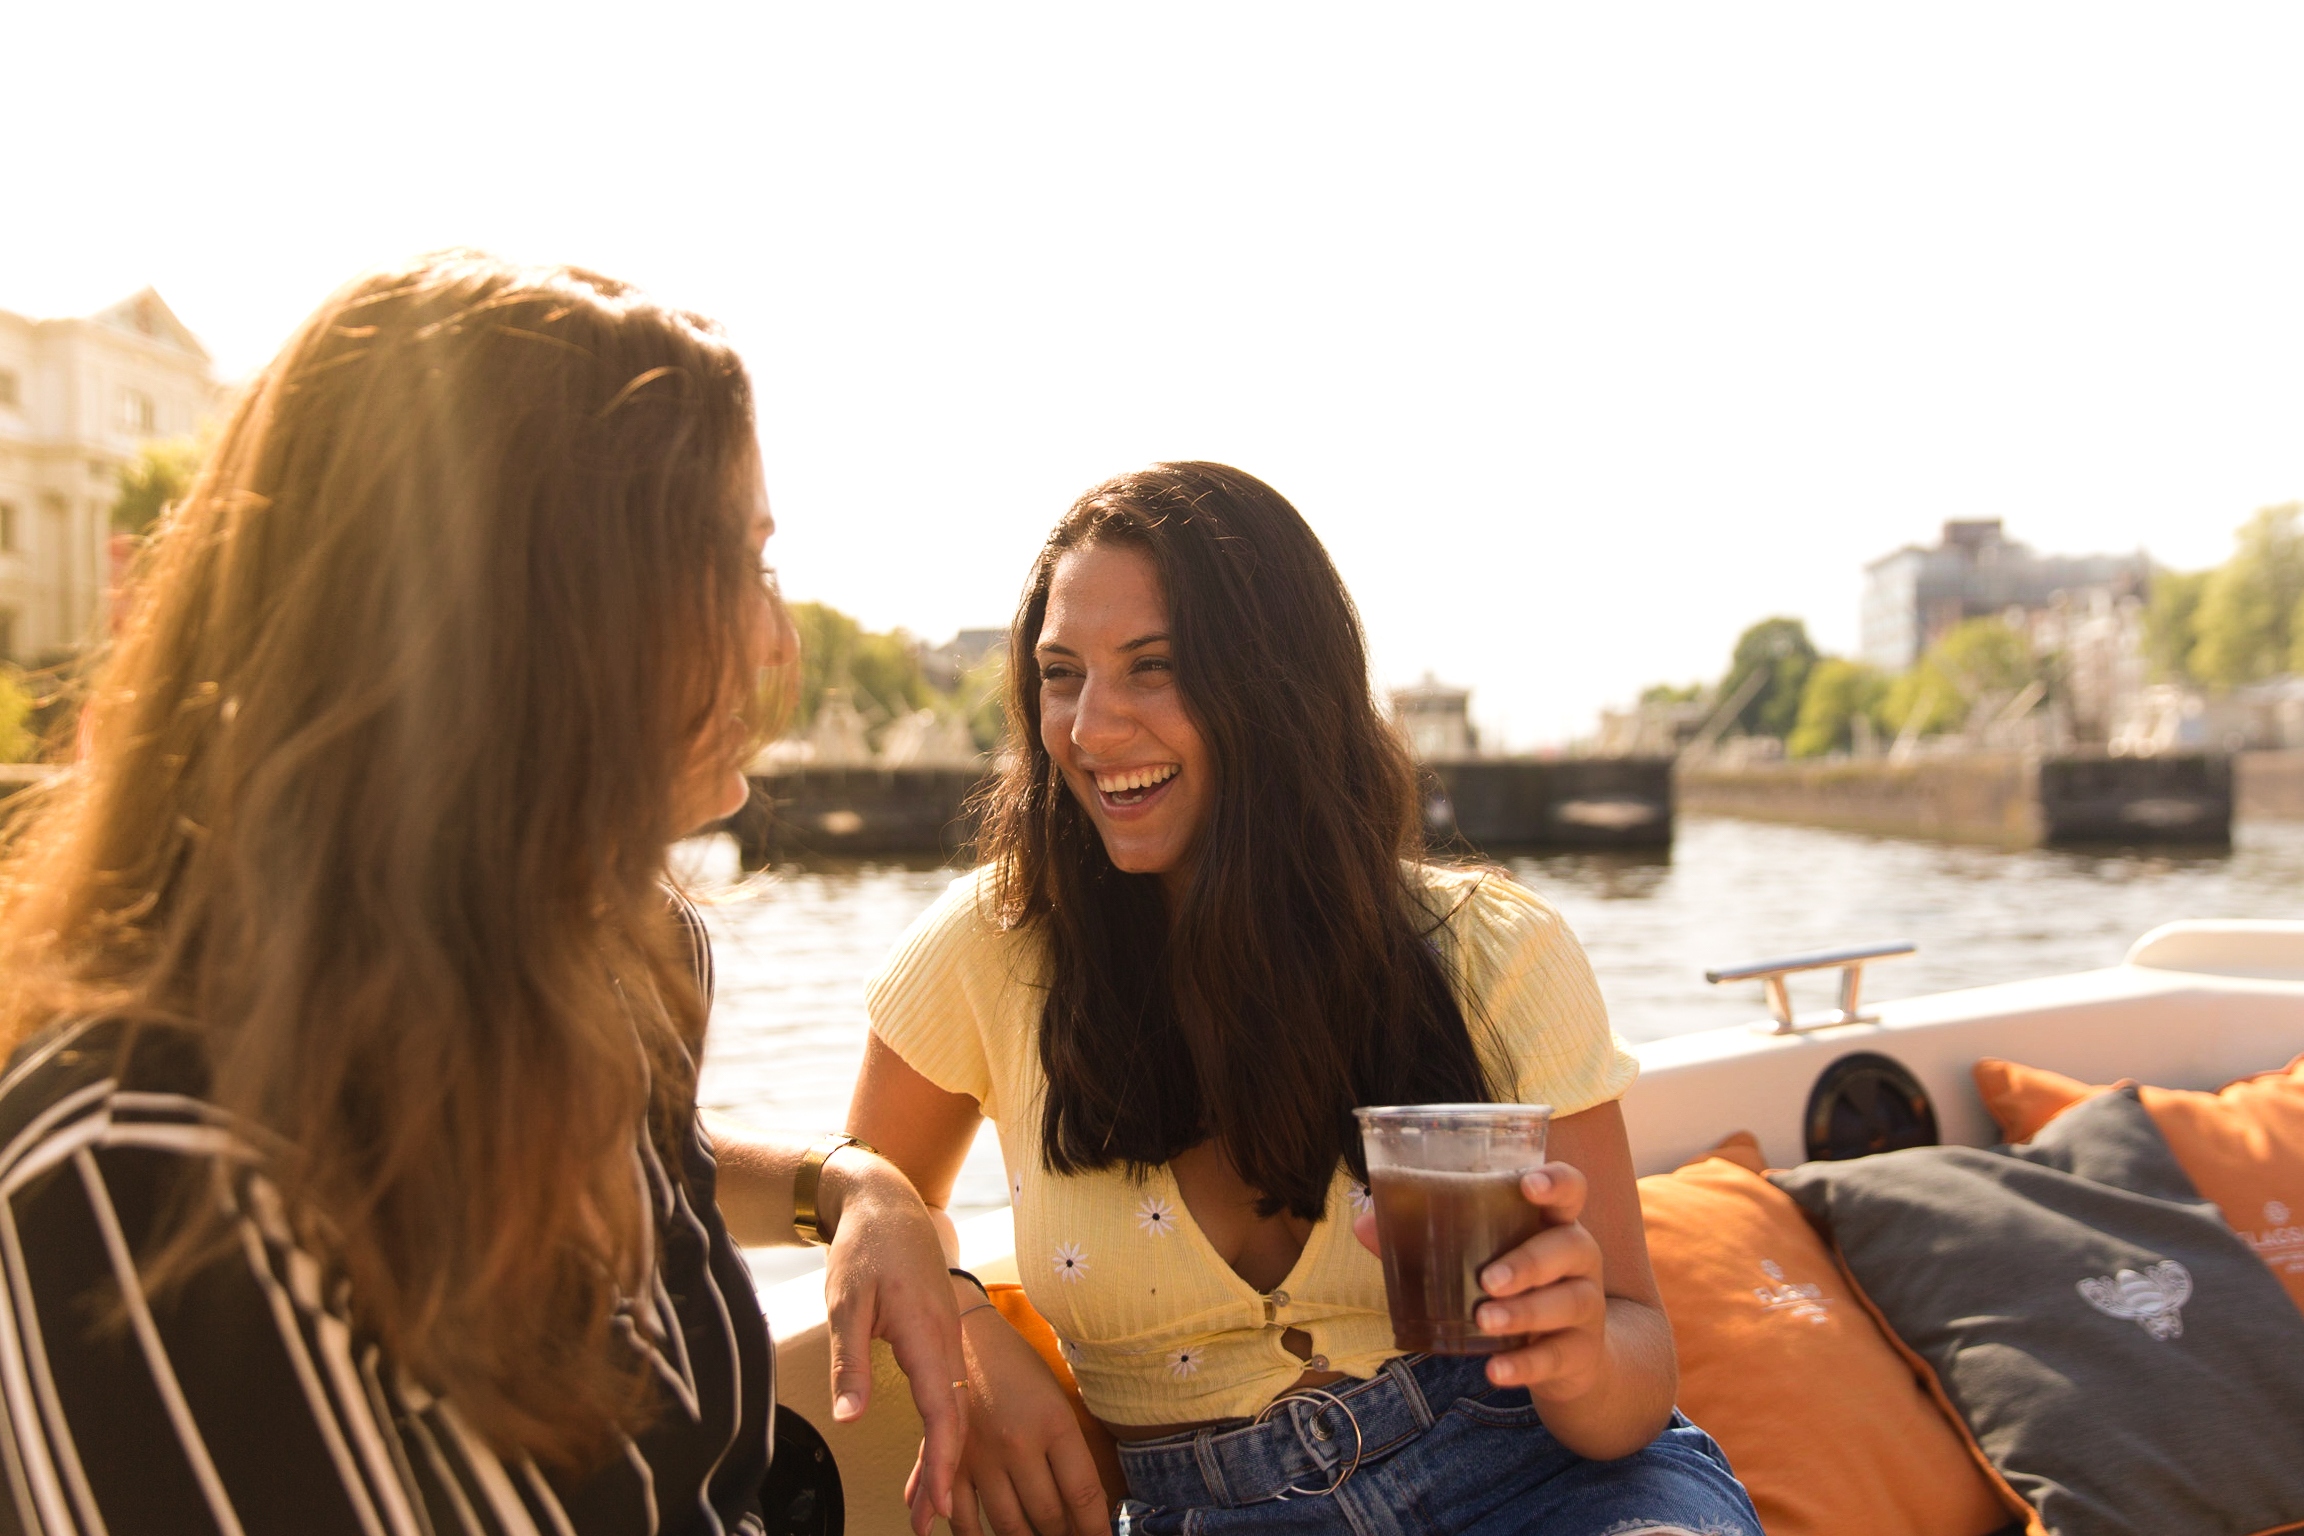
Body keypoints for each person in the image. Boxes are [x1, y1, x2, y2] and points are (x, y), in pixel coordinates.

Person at [0, 252, 968, 1536]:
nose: (776, 644)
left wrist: (851, 1189)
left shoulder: (605, 965)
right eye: (732, 567)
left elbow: (671, 1164)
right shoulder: (138, 1170)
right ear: (536, 617)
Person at [849, 463, 1761, 1536]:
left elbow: (1632, 1377)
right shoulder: (989, 949)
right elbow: (861, 1200)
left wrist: (1575, 1349)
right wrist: (965, 1336)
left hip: (1539, 1477)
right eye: (1062, 674)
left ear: (1278, 684)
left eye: (1156, 666)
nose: (1091, 729)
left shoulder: (1492, 953)